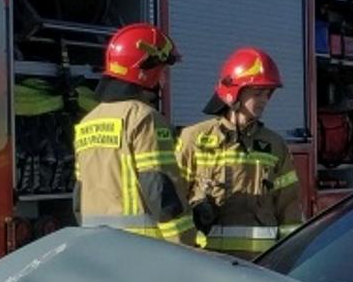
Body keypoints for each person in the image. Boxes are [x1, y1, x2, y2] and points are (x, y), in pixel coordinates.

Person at [73, 23, 197, 244]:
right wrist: (185, 248)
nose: (165, 79)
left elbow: (79, 196)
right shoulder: (144, 118)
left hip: (96, 248)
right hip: (142, 250)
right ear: (146, 70)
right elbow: (159, 189)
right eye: (163, 70)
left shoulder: (87, 122)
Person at [177, 47, 304, 256]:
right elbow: (174, 199)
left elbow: (289, 208)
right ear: (233, 92)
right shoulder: (194, 139)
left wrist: (289, 256)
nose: (264, 100)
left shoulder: (275, 145)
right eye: (257, 93)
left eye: (267, 93)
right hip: (206, 262)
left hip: (259, 265)